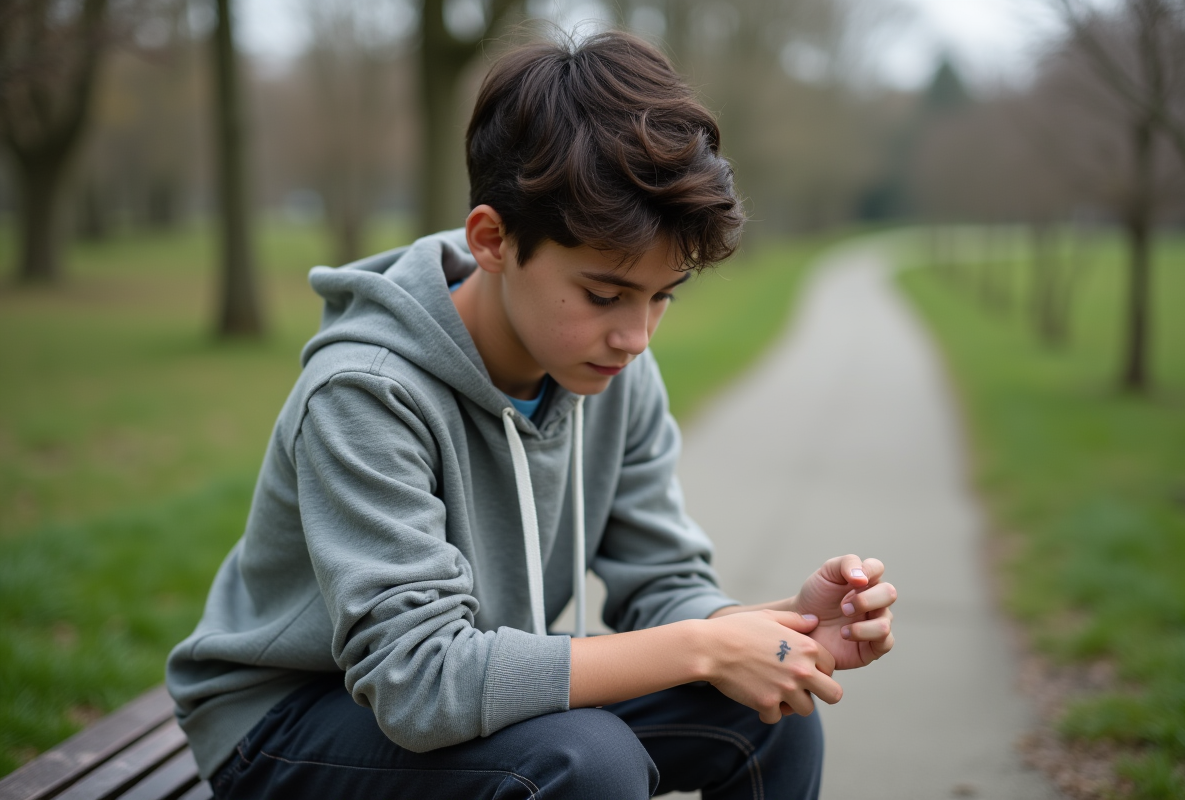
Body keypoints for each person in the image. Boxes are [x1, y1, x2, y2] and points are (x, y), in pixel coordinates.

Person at [167, 29, 897, 800]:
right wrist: (701, 647)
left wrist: (777, 629)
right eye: (605, 295)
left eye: (663, 297)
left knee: (770, 710)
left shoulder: (612, 369)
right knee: (584, 760)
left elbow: (663, 578)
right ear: (493, 239)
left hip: (468, 689)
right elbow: (418, 683)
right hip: (284, 723)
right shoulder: (365, 390)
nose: (636, 336)